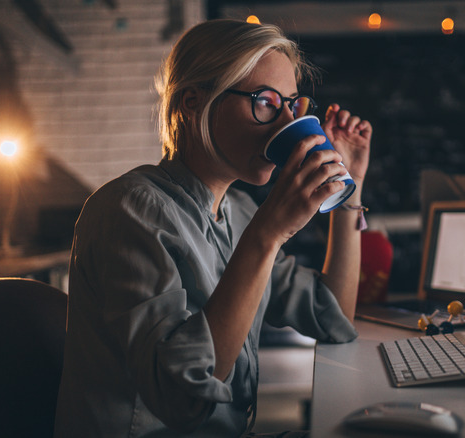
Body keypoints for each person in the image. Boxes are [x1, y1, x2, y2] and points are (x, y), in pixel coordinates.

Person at [53, 18, 372, 437]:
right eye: (265, 102)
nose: (286, 124)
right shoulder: (128, 209)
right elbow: (181, 399)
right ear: (193, 102)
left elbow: (331, 316)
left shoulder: (238, 211)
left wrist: (348, 189)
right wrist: (268, 234)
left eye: (292, 105)